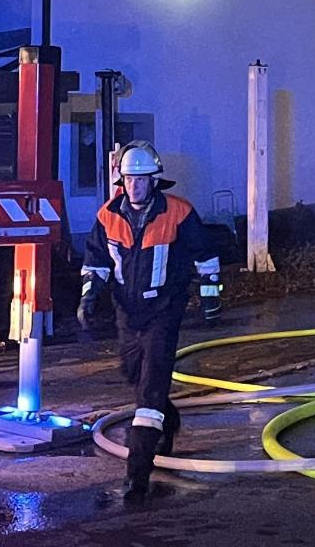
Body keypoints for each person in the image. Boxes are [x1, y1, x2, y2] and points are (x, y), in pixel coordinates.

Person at [78, 141, 221, 503]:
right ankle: (167, 421)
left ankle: (137, 473)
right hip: (127, 312)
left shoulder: (179, 213)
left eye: (141, 179)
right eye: (129, 179)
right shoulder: (107, 215)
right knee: (133, 374)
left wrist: (210, 299)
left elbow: (206, 257)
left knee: (150, 389)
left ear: (155, 180)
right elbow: (96, 261)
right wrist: (89, 296)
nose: (135, 186)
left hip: (164, 310)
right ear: (121, 181)